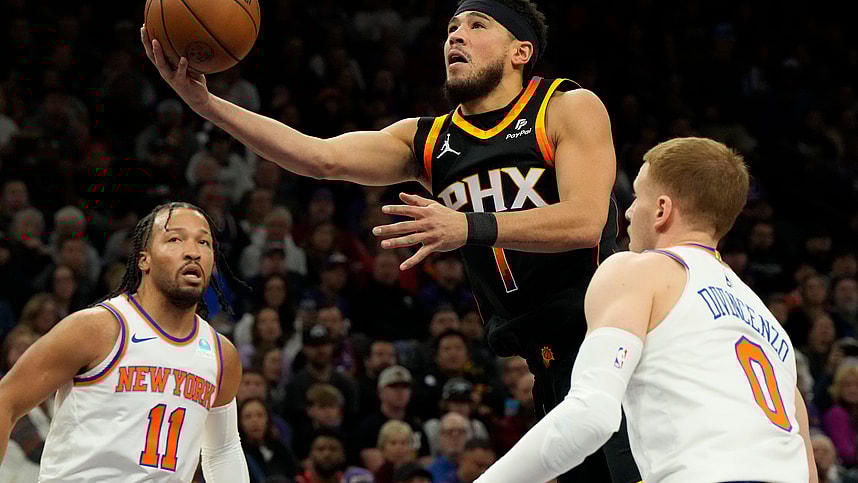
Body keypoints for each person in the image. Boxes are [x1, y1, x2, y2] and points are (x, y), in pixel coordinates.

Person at [140, 0, 638, 480]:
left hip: (608, 341)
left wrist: (466, 226)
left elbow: (587, 221)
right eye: (450, 29)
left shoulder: (566, 107)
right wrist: (205, 104)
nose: (456, 37)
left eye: (477, 25)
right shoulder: (427, 141)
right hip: (546, 361)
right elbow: (319, 158)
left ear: (520, 51)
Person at [476, 137, 819, 482]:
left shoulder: (638, 271)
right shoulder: (772, 329)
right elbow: (808, 469)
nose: (627, 211)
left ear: (662, 210)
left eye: (637, 196)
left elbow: (590, 415)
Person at [0, 202, 250, 481]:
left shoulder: (221, 354)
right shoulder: (97, 328)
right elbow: (6, 401)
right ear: (144, 259)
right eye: (175, 239)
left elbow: (223, 450)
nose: (193, 252)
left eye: (204, 242)